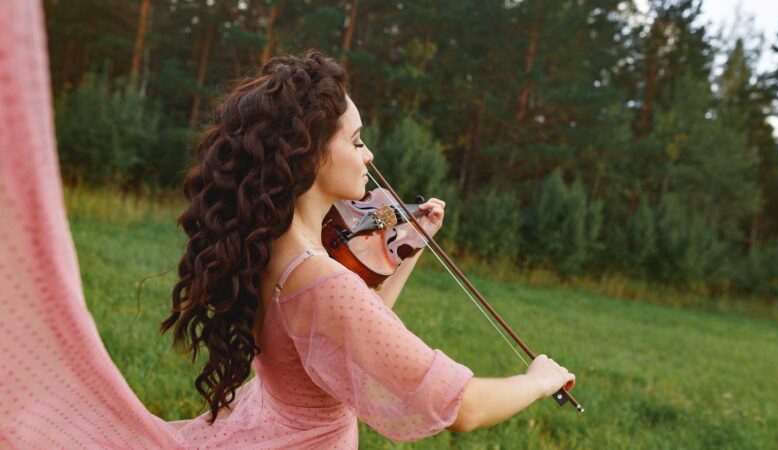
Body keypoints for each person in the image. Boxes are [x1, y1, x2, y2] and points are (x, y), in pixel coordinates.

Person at [0, 1, 575, 446]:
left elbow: (352, 338)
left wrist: (408, 248)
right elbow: (463, 408)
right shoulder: (321, 281)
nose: (369, 155)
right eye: (355, 140)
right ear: (309, 156)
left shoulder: (272, 249)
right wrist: (540, 379)